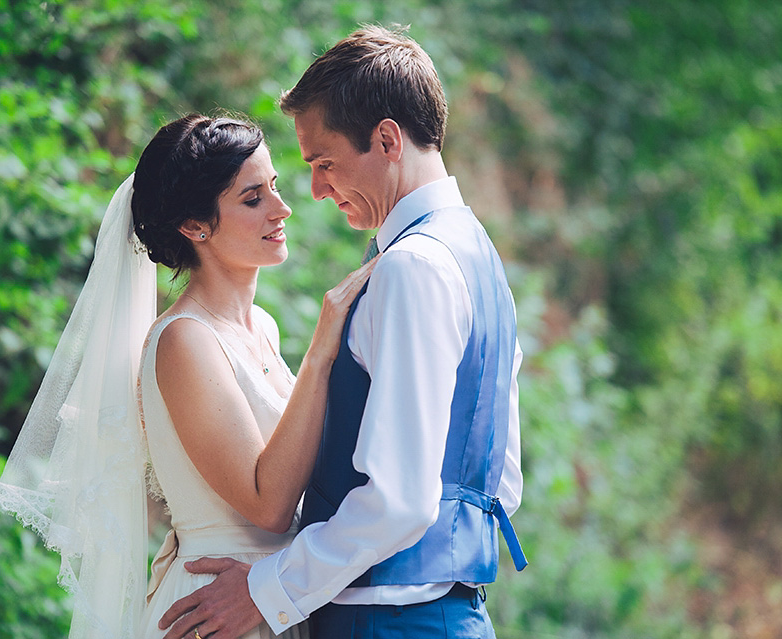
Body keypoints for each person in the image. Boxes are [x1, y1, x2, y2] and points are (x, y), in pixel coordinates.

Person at [158, 25, 526, 639]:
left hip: (386, 622)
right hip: (442, 612)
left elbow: (402, 500)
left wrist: (265, 589)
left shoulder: (411, 265)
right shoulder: (476, 254)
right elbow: (498, 481)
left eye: (324, 163)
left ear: (386, 140)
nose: (316, 191)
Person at [0, 113, 375, 639]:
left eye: (275, 187)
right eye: (252, 198)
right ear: (195, 227)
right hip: (215, 611)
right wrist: (322, 351)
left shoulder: (261, 326)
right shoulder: (184, 341)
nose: (282, 209)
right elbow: (267, 505)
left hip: (269, 596)